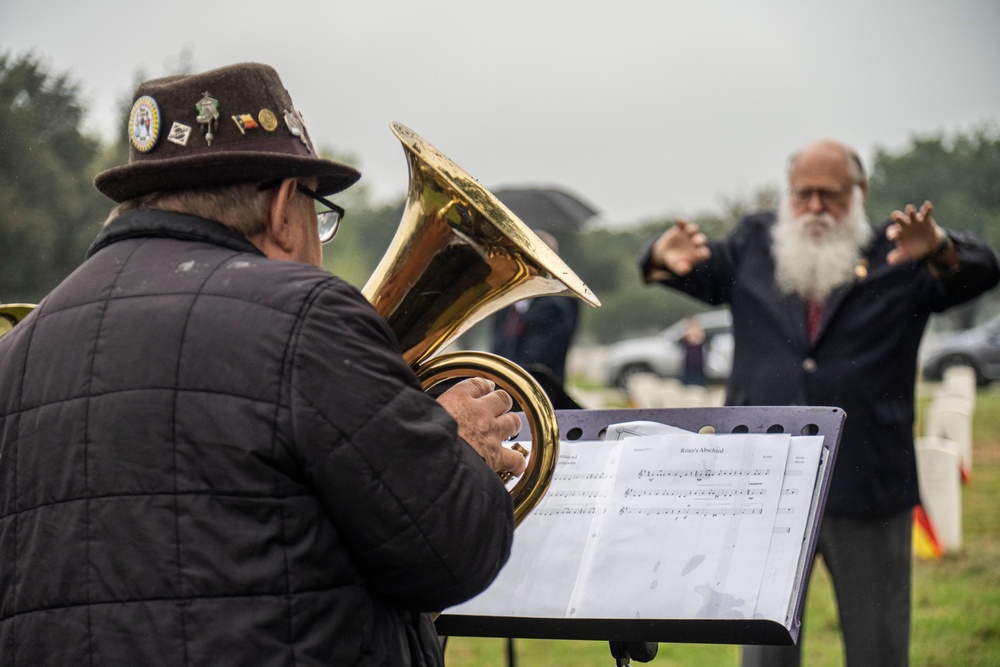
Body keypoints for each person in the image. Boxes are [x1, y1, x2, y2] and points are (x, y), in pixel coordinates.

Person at [0, 62, 527, 667]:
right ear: (282, 206)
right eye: (319, 213)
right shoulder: (307, 314)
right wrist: (456, 451)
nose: (318, 241)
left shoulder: (18, 346)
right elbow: (451, 554)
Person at [640, 139, 999, 666]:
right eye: (803, 193)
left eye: (829, 195)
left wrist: (942, 248)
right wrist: (656, 256)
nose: (814, 208)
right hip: (764, 486)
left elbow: (984, 268)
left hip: (869, 480)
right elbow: (681, 264)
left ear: (859, 193)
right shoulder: (753, 244)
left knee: (877, 646)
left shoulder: (901, 253)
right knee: (764, 652)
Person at [491, 230, 580, 403]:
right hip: (509, 391)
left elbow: (535, 360)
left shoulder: (555, 306)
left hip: (540, 397)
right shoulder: (507, 304)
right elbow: (498, 347)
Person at [679, 316, 707, 387]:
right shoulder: (689, 331)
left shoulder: (697, 331)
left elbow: (696, 340)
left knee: (696, 371)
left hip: (695, 354)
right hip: (691, 355)